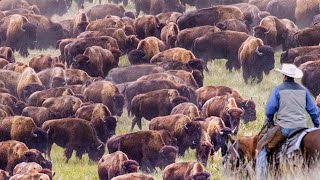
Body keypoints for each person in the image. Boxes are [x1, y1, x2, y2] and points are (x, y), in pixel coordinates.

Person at [255, 63, 320, 178]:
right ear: (293, 76)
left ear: (284, 76)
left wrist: (269, 120)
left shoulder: (278, 90)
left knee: (262, 148)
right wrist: (317, 125)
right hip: (302, 127)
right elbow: (313, 111)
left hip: (285, 128)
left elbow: (270, 110)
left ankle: (261, 177)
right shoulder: (303, 90)